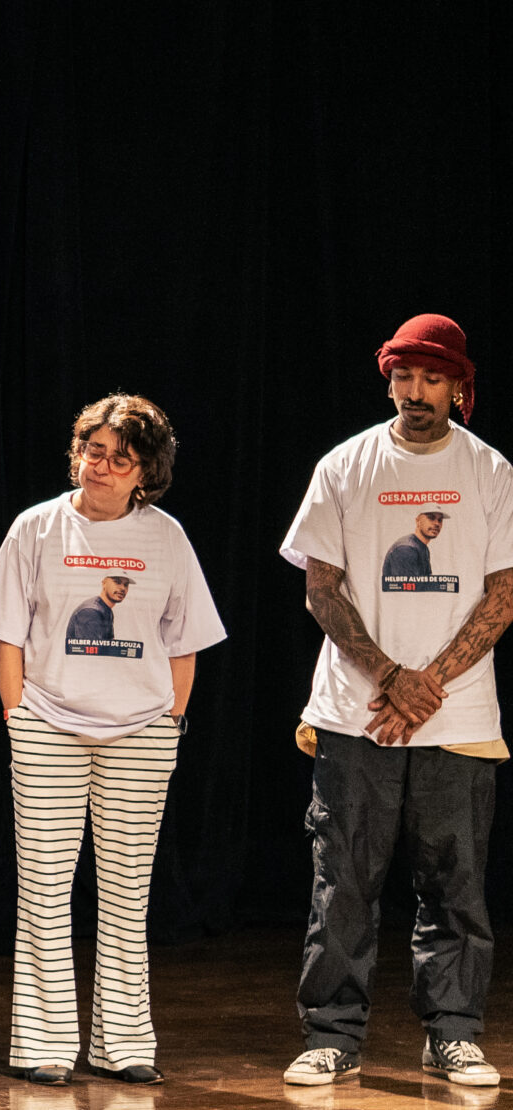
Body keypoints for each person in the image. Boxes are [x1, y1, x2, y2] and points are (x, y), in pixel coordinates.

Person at [277, 313, 513, 1089]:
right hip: (355, 710)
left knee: (455, 879)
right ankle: (333, 1035)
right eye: (405, 376)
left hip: (458, 715)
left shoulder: (489, 471)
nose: (417, 392)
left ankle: (453, 1031)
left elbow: (502, 597)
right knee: (344, 878)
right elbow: (321, 588)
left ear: (458, 385)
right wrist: (390, 678)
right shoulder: (346, 466)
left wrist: (428, 685)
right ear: (389, 379)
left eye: (433, 378)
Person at [0, 394, 224, 1087]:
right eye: (93, 451)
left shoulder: (165, 537)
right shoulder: (37, 527)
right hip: (49, 724)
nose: (101, 466)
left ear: (146, 471)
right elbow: (6, 632)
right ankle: (44, 1044)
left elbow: (185, 639)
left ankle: (122, 1044)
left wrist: (170, 720)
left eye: (120, 457)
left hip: (141, 731)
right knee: (44, 889)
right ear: (77, 453)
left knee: (127, 892)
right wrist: (19, 717)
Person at [64, 575, 132, 643]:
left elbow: (109, 644)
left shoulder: (106, 610)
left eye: (126, 585)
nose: (123, 588)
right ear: (104, 583)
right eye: (117, 582)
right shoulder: (91, 612)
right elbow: (90, 650)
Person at [383, 510, 448, 578]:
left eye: (440, 520)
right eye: (431, 518)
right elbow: (406, 587)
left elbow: (427, 582)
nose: (437, 524)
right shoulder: (406, 549)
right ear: (418, 521)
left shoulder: (423, 548)